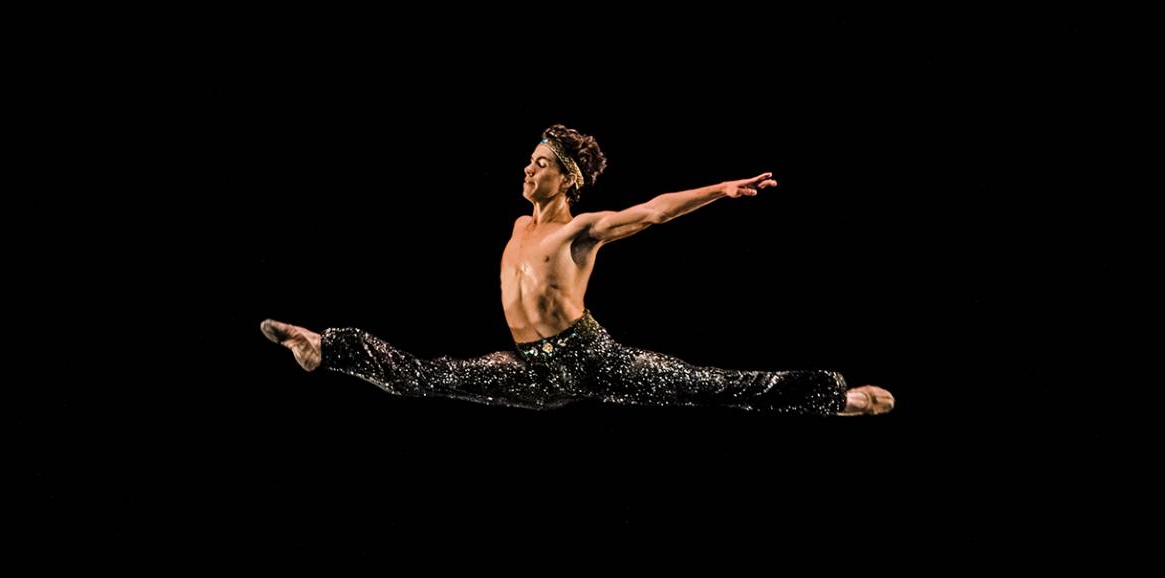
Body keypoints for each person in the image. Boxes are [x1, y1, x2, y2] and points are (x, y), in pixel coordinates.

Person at [262, 124, 894, 416]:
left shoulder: (578, 230)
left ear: (568, 177)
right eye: (529, 161)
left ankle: (832, 398)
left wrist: (720, 190)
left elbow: (651, 212)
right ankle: (325, 347)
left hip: (589, 356)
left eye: (541, 163)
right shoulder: (516, 228)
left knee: (706, 384)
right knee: (423, 379)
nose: (528, 169)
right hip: (534, 372)